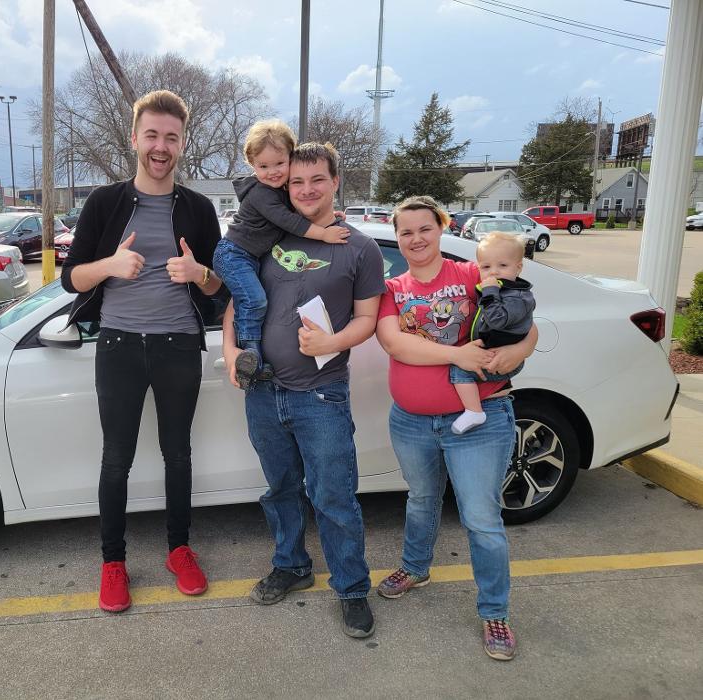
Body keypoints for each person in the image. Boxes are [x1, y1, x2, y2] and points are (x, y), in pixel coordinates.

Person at [61, 90, 224, 613]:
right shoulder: (105, 203)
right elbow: (71, 278)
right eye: (152, 135)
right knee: (117, 459)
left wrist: (198, 272)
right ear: (134, 139)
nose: (161, 146)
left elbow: (218, 287)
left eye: (171, 138)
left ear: (182, 144)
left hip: (180, 346)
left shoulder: (198, 209)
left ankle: (179, 550)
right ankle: (113, 562)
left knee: (178, 454)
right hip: (119, 345)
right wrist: (109, 265)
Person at [222, 142, 386, 638]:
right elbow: (237, 301)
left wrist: (332, 342)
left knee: (333, 496)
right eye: (297, 181)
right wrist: (231, 352)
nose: (307, 189)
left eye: (317, 179)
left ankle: (351, 588)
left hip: (321, 395)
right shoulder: (272, 234)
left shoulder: (359, 248)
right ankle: (291, 565)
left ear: (335, 181)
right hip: (263, 392)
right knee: (280, 490)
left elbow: (368, 318)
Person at [374, 195, 537, 661]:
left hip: (482, 419)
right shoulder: (392, 288)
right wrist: (457, 355)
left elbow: (527, 320)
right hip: (411, 421)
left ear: (442, 228)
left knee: (481, 519)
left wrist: (519, 350)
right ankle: (415, 567)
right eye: (406, 232)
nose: (415, 239)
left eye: (424, 228)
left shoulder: (471, 274)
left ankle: (495, 612)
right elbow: (395, 343)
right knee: (421, 500)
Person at [213, 119, 350, 388]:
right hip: (234, 254)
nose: (273, 172)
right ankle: (250, 352)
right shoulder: (260, 193)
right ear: (252, 165)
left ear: (290, 156)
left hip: (248, 256)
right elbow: (288, 221)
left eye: (279, 163)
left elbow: (301, 208)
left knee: (252, 300)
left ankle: (254, 357)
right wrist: (323, 233)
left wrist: (328, 215)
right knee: (254, 300)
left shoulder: (280, 191)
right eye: (263, 166)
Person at [450, 231, 535, 434]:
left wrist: (489, 292)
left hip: (498, 360)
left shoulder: (517, 297)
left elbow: (496, 320)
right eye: (486, 267)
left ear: (518, 267)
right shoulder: (502, 290)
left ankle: (474, 411)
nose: (493, 272)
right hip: (491, 351)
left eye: (502, 265)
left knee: (459, 370)